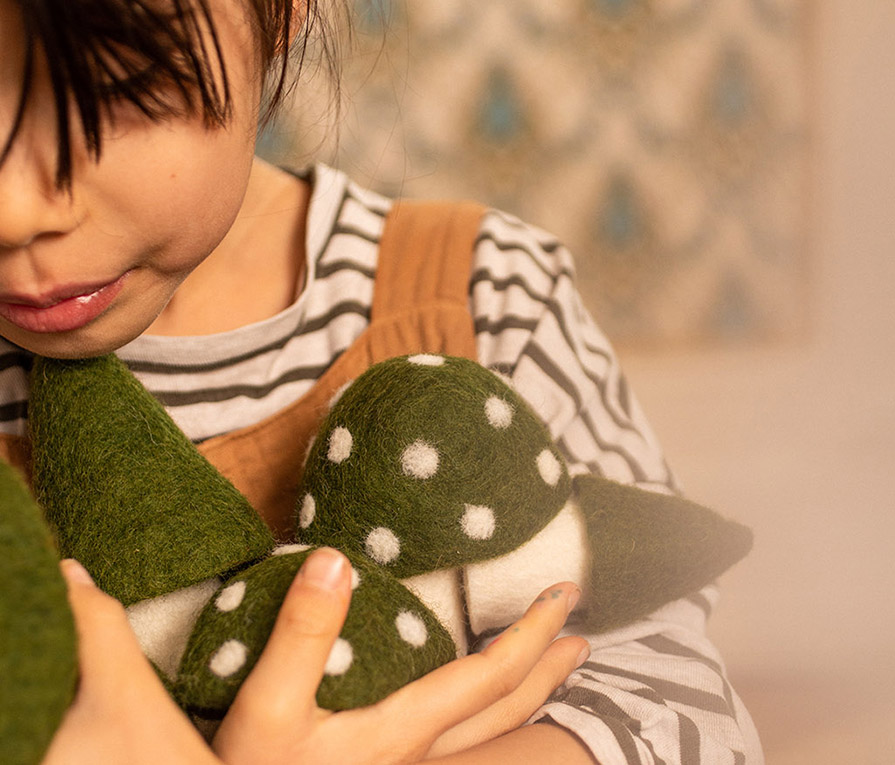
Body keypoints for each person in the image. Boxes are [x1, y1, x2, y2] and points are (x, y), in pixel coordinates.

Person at [0, 0, 763, 762]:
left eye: (115, 88)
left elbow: (683, 721)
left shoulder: (488, 295)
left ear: (281, 15)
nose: (14, 212)